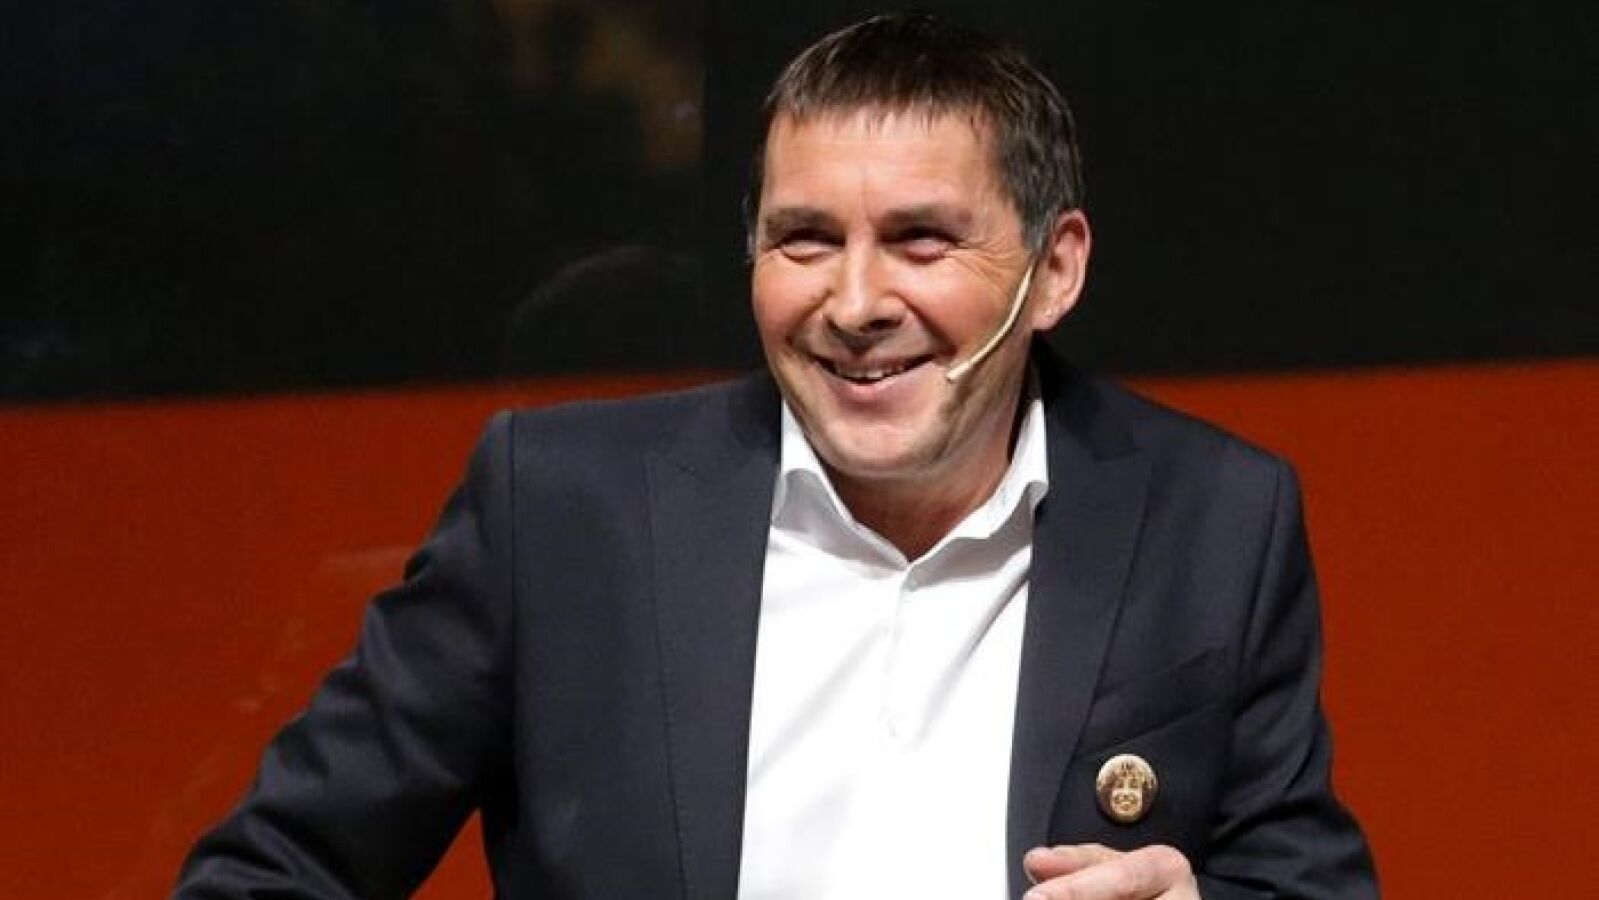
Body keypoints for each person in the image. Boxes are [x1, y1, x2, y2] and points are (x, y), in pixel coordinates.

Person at [177, 13, 1376, 899]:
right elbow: (274, 873)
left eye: (920, 241)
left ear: (1053, 270)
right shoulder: (560, 511)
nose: (855, 303)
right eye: (805, 239)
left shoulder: (1214, 518)